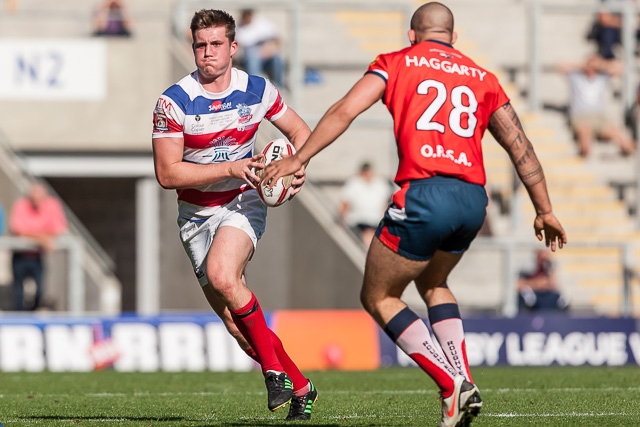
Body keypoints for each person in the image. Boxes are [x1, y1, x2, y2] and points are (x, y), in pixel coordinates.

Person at [262, 3, 567, 426]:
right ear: (454, 38)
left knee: (379, 296)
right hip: (472, 199)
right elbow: (521, 146)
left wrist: (301, 157)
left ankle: (449, 384)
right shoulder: (484, 78)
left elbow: (345, 111)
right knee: (435, 282)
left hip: (424, 194)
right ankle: (463, 381)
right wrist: (544, 209)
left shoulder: (396, 62)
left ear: (412, 34)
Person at [151, 9, 316, 421]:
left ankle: (273, 373)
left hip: (243, 200)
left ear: (233, 47)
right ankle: (301, 387)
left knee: (225, 275)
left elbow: (301, 134)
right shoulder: (173, 102)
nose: (207, 53)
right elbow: (167, 173)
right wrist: (228, 166)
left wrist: (297, 170)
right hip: (195, 214)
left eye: (216, 44)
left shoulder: (257, 89)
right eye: (200, 45)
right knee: (238, 328)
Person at [559, 54, 636, 157]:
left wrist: (601, 65)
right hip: (580, 116)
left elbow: (621, 68)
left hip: (599, 116)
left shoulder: (602, 77)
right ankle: (585, 152)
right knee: (585, 135)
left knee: (619, 135)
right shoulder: (576, 76)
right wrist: (584, 65)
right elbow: (561, 66)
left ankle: (628, 154)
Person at [9, 181, 68, 311]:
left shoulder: (52, 205)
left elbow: (59, 229)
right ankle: (21, 318)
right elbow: (17, 229)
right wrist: (43, 238)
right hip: (20, 255)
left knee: (40, 290)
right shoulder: (21, 205)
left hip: (38, 256)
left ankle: (33, 315)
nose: (35, 198)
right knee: (18, 291)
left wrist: (35, 236)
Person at [339, 161, 393, 247]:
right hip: (358, 219)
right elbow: (345, 202)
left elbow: (387, 201)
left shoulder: (380, 183)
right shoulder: (354, 183)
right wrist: (343, 219)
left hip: (376, 219)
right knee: (368, 236)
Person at [235, 9, 285, 88]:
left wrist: (269, 50)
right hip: (249, 57)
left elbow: (277, 41)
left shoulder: (263, 23)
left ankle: (279, 85)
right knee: (253, 58)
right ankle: (256, 86)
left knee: (276, 59)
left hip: (267, 53)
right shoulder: (239, 29)